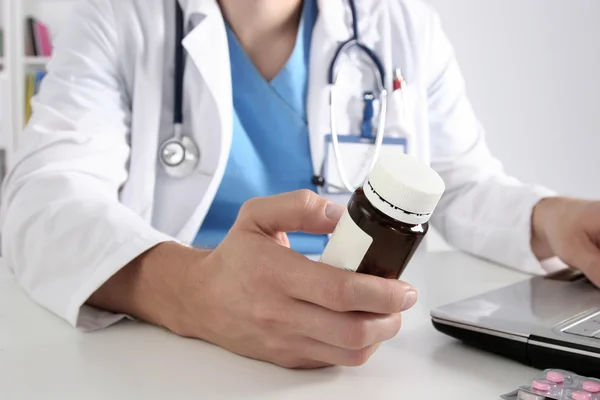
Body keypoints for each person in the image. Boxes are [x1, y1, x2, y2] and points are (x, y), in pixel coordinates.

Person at [1, 0, 599, 370]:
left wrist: (555, 219)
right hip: (169, 347)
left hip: (364, 347)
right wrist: (190, 291)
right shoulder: (120, 15)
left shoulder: (398, 22)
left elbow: (458, 186)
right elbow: (43, 197)